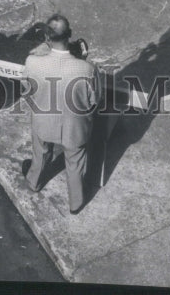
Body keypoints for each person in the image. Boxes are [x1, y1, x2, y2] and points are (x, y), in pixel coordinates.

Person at [20, 14, 101, 214]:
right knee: (75, 164)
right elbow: (94, 100)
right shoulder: (87, 69)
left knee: (40, 153)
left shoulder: (32, 62)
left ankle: (34, 181)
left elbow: (26, 91)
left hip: (43, 122)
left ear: (47, 38)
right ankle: (76, 203)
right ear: (70, 35)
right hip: (75, 128)